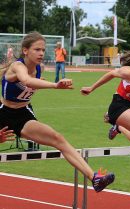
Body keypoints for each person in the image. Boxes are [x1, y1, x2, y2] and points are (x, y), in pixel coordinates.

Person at [0, 31, 114, 192]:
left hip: (23, 115)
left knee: (58, 138)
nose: (41, 53)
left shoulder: (40, 68)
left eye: (43, 50)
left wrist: (39, 83)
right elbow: (25, 80)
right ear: (25, 50)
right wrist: (54, 85)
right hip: (4, 112)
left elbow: (30, 84)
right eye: (37, 49)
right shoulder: (18, 66)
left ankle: (94, 178)